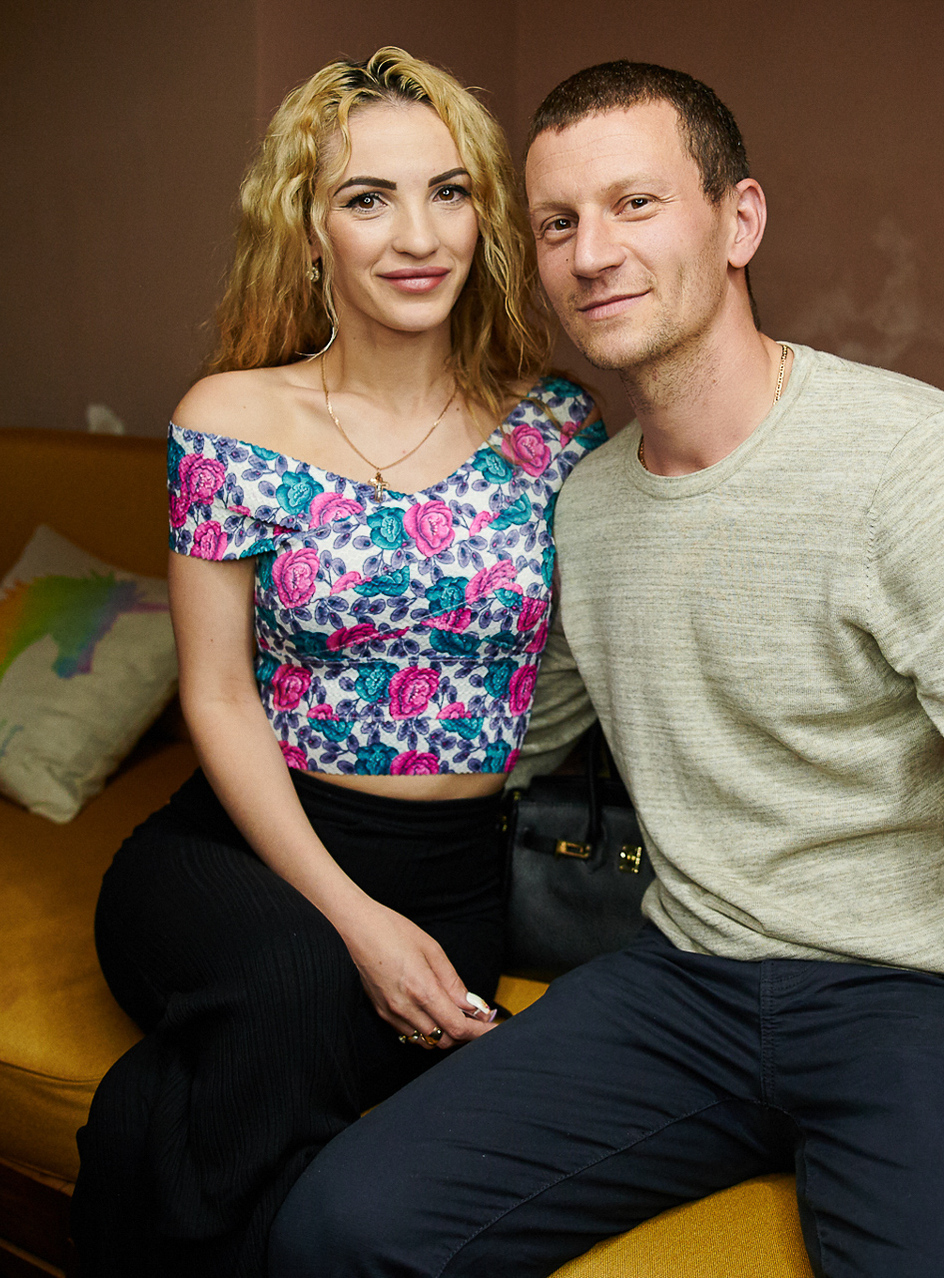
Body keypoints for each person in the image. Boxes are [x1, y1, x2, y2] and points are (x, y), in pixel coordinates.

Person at [269, 60, 944, 1278]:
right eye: (558, 223)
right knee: (338, 1229)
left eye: (635, 204)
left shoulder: (915, 460)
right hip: (682, 982)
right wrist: (271, 783)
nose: (593, 253)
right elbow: (502, 742)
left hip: (917, 996)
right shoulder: (588, 506)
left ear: (739, 220)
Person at [70, 48, 606, 1277]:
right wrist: (357, 925)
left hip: (453, 881)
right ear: (311, 230)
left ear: (484, 216)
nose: (418, 235)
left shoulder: (557, 427)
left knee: (168, 1101)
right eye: (369, 198)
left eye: (449, 192)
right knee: (294, 984)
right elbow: (216, 694)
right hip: (235, 852)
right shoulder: (229, 418)